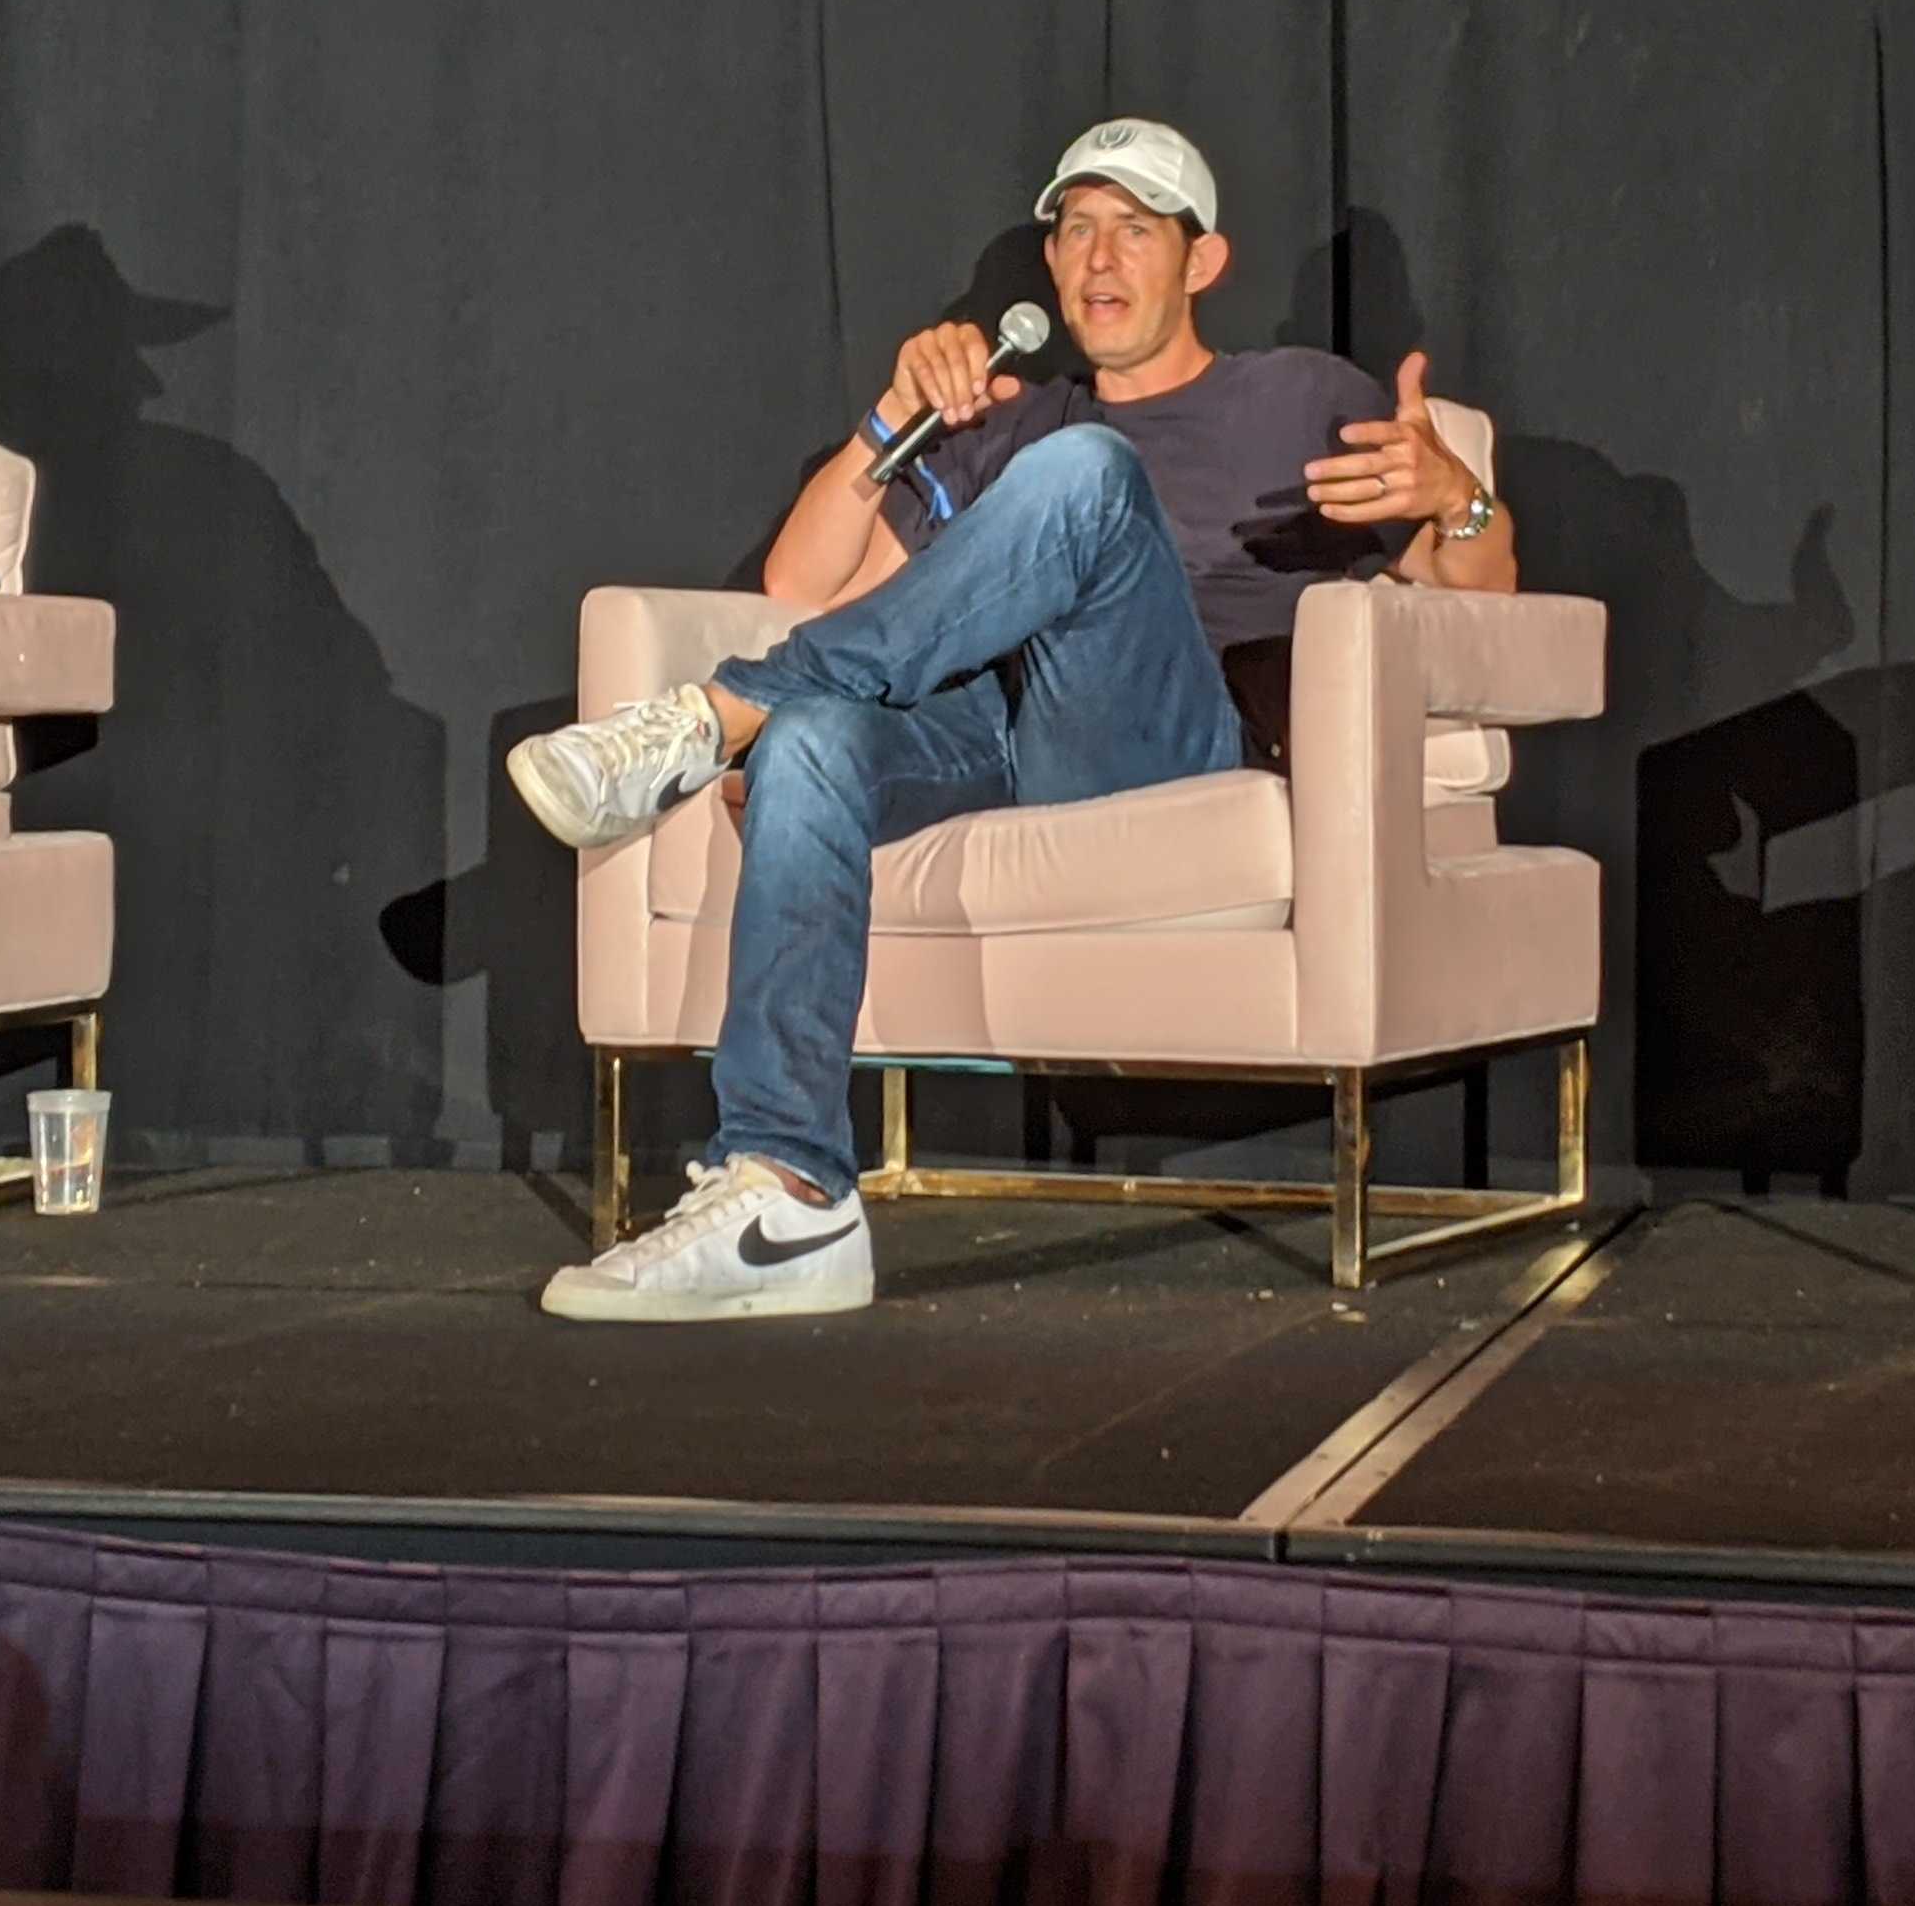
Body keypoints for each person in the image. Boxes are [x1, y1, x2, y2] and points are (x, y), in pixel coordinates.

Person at [505, 118, 1521, 1322]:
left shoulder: (1297, 397)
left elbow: (1489, 611)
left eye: (1134, 231)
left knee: (1091, 477)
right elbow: (796, 588)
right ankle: (790, 1194)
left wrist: (1458, 502)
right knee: (820, 742)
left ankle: (716, 716)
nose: (1098, 259)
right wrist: (892, 419)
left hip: (1164, 736)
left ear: (1203, 262)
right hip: (997, 727)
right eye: (1076, 229)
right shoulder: (1008, 421)